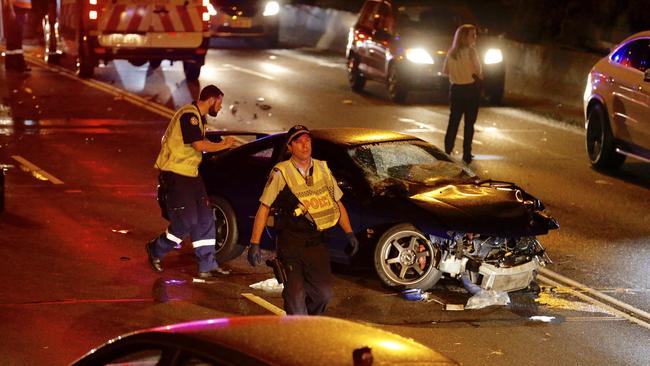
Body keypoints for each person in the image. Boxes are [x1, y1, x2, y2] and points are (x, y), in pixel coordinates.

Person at [247, 124, 359, 315]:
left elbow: (337, 203)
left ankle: (308, 325)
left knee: (323, 295)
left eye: (307, 141)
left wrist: (349, 233)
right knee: (296, 297)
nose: (305, 146)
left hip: (317, 243)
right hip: (291, 243)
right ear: (290, 147)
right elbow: (264, 208)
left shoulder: (322, 168)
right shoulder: (281, 172)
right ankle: (297, 330)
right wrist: (254, 243)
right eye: (298, 142)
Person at [145, 85, 235, 278]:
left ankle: (207, 265)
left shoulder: (199, 119)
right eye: (220, 103)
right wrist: (223, 145)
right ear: (212, 100)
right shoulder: (190, 116)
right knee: (186, 222)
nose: (220, 107)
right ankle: (156, 249)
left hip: (191, 174)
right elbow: (198, 144)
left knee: (205, 218)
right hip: (176, 174)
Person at [442, 24, 483, 164]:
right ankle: (466, 153)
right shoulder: (471, 52)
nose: (475, 38)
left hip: (455, 90)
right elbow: (479, 70)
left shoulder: (451, 53)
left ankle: (447, 150)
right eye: (473, 35)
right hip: (470, 90)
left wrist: (457, 72)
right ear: (465, 37)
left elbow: (445, 71)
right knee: (469, 123)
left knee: (453, 121)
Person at [2, 0, 32, 72]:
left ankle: (11, 63)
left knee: (16, 36)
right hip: (16, 7)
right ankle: (17, 63)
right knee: (15, 37)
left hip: (20, 7)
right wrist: (11, 8)